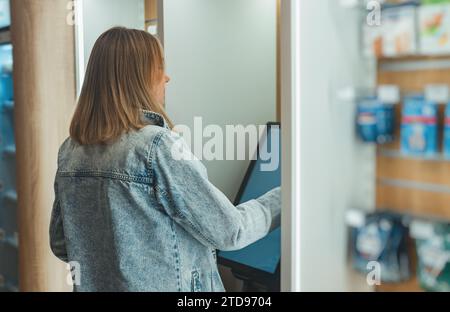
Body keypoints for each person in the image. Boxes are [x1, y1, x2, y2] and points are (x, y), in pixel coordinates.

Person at [49, 27, 280, 292]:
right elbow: (231, 231)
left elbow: (61, 243)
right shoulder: (156, 147)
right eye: (160, 67)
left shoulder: (71, 150)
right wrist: (288, 196)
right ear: (139, 77)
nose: (166, 78)